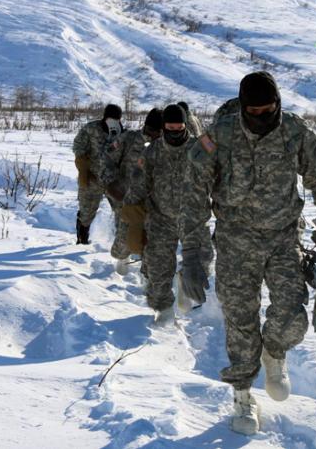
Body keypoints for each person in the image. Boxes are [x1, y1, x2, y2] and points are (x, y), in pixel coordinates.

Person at [188, 71, 316, 435]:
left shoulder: (294, 131)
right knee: (240, 320)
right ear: (243, 108)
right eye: (254, 111)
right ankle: (243, 397)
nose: (262, 116)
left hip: (282, 238)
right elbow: (194, 187)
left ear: (278, 103)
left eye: (268, 109)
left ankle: (274, 352)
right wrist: (194, 247)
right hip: (235, 242)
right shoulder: (221, 135)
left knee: (291, 315)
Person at [125, 104, 211, 325]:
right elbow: (140, 181)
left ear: (185, 125)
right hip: (161, 217)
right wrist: (131, 211)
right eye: (170, 127)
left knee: (202, 263)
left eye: (179, 127)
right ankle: (163, 310)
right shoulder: (152, 150)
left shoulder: (199, 148)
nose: (174, 131)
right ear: (163, 127)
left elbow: (217, 177)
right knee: (158, 268)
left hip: (193, 219)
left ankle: (185, 283)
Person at [103, 107, 162, 273]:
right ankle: (121, 262)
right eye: (151, 130)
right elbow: (106, 159)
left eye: (158, 131)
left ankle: (148, 275)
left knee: (153, 242)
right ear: (146, 126)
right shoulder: (128, 139)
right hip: (125, 199)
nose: (154, 134)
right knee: (123, 244)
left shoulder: (165, 144)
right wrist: (111, 184)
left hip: (154, 203)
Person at [72, 104, 123, 245]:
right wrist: (84, 169)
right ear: (105, 117)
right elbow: (77, 147)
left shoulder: (122, 133)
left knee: (122, 211)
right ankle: (82, 241)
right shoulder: (91, 129)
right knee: (86, 212)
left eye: (117, 119)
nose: (114, 121)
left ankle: (121, 244)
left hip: (114, 181)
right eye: (111, 118)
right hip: (92, 179)